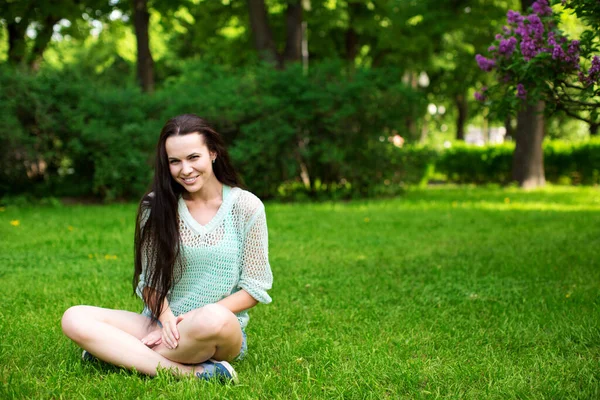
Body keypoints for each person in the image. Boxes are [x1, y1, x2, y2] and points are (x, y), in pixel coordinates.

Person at [61, 114, 273, 383]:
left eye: (193, 157)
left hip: (217, 329)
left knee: (213, 318)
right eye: (175, 161)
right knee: (74, 317)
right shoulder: (157, 206)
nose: (185, 169)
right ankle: (194, 374)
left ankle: (116, 354)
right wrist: (167, 320)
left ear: (213, 153)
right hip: (160, 322)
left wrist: (193, 317)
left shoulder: (246, 207)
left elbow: (253, 289)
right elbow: (149, 283)